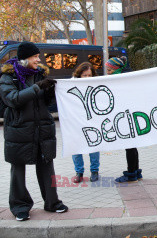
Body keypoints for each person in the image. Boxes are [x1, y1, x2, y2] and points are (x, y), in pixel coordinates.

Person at [0, 42, 68, 221]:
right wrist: (38, 88)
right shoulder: (8, 77)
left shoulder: (40, 73)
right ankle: (20, 207)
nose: (39, 59)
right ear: (25, 58)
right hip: (18, 131)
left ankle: (52, 203)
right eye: (35, 57)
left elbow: (47, 104)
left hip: (42, 128)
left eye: (39, 56)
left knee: (46, 165)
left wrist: (49, 92)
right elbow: (13, 99)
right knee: (18, 170)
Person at [108, 56, 143, 183]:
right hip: (130, 116)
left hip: (127, 116)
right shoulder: (127, 78)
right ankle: (136, 172)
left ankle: (131, 174)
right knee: (132, 146)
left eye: (110, 70)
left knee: (129, 146)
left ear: (117, 69)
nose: (107, 73)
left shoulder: (123, 80)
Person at [71, 62, 100, 183]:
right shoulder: (70, 86)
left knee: (93, 145)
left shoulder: (97, 85)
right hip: (75, 121)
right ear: (79, 75)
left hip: (91, 120)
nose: (87, 78)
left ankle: (94, 170)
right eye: (84, 75)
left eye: (89, 75)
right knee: (76, 146)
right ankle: (79, 172)